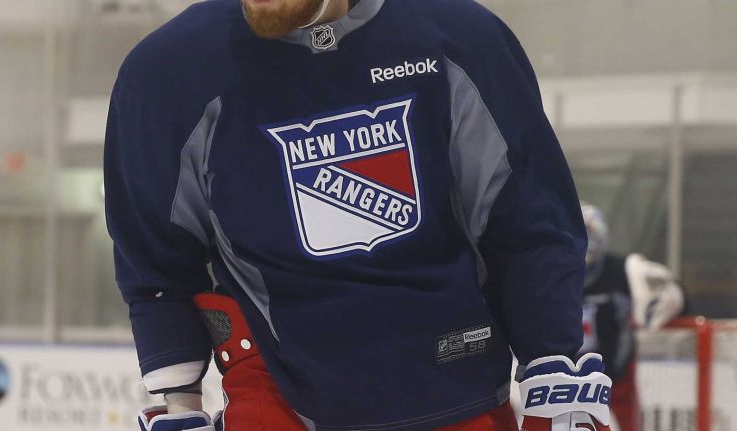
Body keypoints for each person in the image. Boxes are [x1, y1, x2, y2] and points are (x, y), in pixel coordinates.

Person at [105, 0, 613, 430]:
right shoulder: (167, 73)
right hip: (275, 391)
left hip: (457, 384)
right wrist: (179, 402)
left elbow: (525, 223)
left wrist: (555, 367)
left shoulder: (458, 38)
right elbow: (157, 260)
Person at [580, 204, 685, 431]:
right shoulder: (551, 274)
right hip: (568, 382)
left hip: (617, 380)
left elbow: (676, 297)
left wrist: (674, 294)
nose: (586, 238)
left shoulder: (624, 271)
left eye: (589, 229)